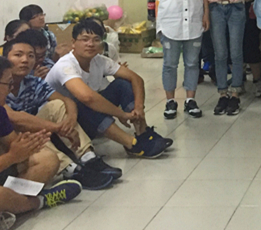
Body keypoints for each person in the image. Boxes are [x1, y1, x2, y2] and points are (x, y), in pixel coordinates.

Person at [2, 38, 119, 190]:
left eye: (30, 56)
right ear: (5, 59)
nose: (25, 60)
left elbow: (66, 100)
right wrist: (56, 127)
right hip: (6, 136)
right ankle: (70, 169)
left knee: (57, 105)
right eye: (18, 55)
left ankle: (88, 157)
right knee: (28, 128)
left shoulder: (33, 82)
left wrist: (70, 119)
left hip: (32, 128)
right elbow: (14, 119)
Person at [45, 19, 170, 157]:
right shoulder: (65, 65)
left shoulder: (100, 61)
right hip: (63, 125)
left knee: (122, 84)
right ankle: (133, 145)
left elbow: (136, 79)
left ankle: (143, 133)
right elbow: (87, 97)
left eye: (96, 40)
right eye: (85, 39)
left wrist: (139, 107)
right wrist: (121, 114)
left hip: (85, 117)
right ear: (73, 42)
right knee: (86, 103)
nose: (90, 44)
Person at [0, 55, 82, 209]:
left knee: (47, 159)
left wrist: (30, 144)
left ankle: (5, 205)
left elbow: (13, 144)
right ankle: (36, 202)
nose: (10, 89)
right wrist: (11, 157)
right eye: (8, 84)